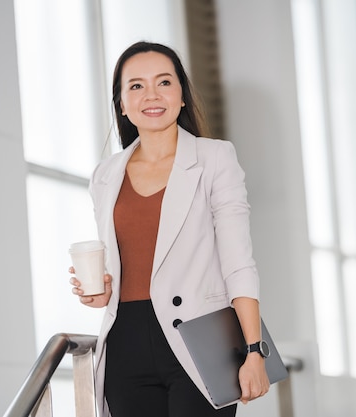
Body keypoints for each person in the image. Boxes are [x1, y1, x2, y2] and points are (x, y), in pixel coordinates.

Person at [69, 41, 270, 417]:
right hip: (126, 341)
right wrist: (103, 289)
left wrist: (254, 350)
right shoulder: (105, 175)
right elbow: (124, 259)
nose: (151, 95)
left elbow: (238, 264)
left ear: (181, 96)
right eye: (136, 86)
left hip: (200, 340)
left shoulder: (215, 158)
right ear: (122, 104)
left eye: (164, 82)